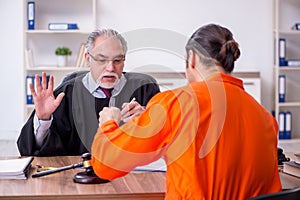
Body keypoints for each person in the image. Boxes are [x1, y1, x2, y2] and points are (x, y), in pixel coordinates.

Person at [91, 24, 282, 199]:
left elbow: (105, 165)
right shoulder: (266, 118)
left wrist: (109, 123)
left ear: (192, 58)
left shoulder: (176, 103)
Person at [17, 29, 160, 156]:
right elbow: (33, 150)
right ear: (87, 59)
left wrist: (148, 122)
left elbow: (166, 144)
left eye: (117, 60)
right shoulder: (66, 94)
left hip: (132, 177)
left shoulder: (145, 89)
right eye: (101, 60)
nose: (110, 68)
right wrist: (43, 119)